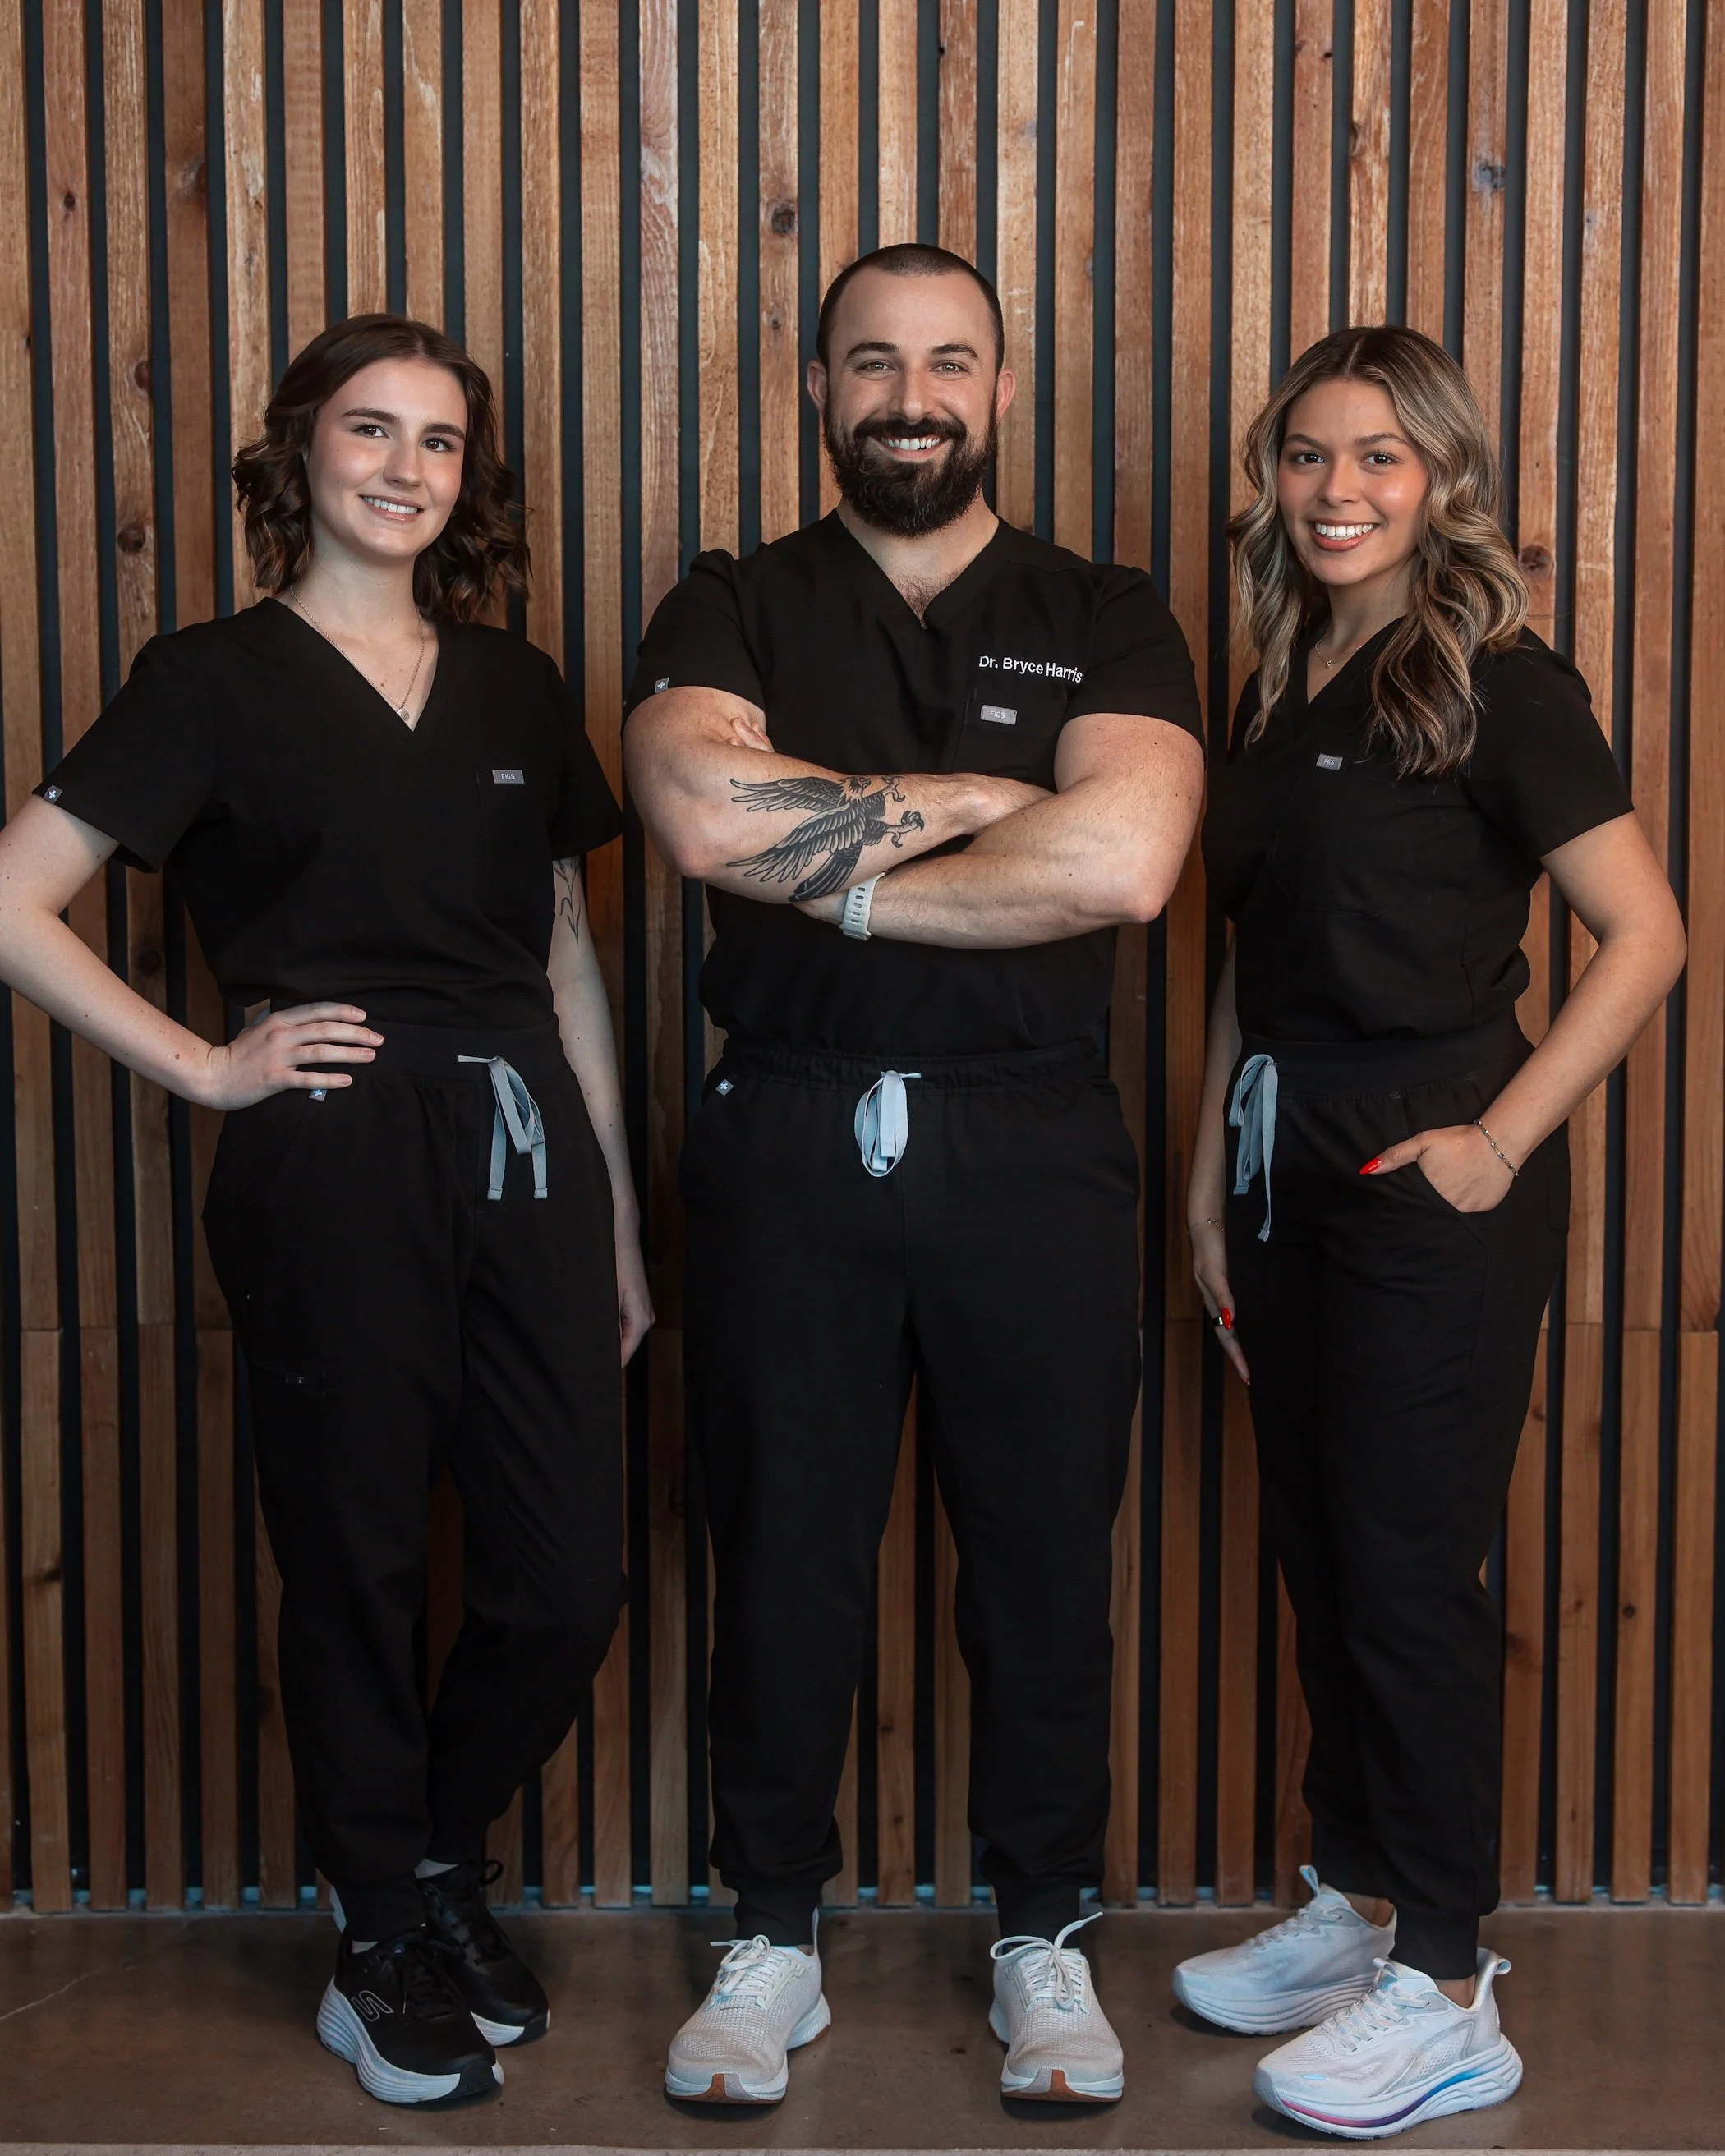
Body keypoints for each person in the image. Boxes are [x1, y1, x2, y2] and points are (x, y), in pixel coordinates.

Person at [0, 315, 650, 2106]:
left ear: (468, 478)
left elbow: (568, 952)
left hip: (527, 1150)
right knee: (356, 1557)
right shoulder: (206, 674)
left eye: (441, 441)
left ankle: (427, 1858)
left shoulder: (519, 686)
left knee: (566, 1571)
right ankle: (379, 1940)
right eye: (371, 430)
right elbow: (11, 898)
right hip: (335, 1149)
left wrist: (615, 1230)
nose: (405, 468)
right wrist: (213, 1067)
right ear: (300, 451)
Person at [625, 243, 1205, 2107]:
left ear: (1003, 389)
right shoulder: (730, 599)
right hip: (787, 1126)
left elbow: (1125, 865)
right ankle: (770, 1936)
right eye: (872, 361)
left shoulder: (1107, 608)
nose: (912, 395)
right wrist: (985, 802)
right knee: (781, 1544)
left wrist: (844, 861)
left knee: (1043, 1561)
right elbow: (704, 817)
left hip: (1037, 1141)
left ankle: (1044, 1937)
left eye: (951, 362)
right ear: (816, 388)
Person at [1171, 324, 1685, 2137]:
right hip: (1278, 1154)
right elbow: (1244, 951)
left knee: (1406, 1570)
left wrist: (1497, 1139)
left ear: (1442, 476)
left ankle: (1453, 1980)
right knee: (1322, 1547)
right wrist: (1207, 1181)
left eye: (1379, 458)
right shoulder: (1277, 673)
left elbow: (1648, 933)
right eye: (1308, 457)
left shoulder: (1500, 684)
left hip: (1430, 1164)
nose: (1336, 492)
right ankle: (1353, 1902)